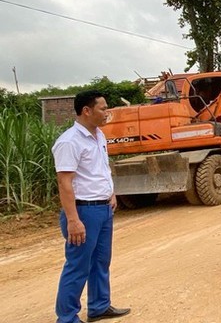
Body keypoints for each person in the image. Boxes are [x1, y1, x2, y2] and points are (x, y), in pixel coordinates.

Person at [52, 90, 131, 323]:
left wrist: (111, 193)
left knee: (100, 261)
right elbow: (64, 182)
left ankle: (99, 306)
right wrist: (74, 220)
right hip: (84, 212)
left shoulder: (99, 136)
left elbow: (100, 169)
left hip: (103, 208)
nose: (107, 112)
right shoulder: (69, 142)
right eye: (103, 108)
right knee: (78, 266)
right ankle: (66, 318)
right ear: (87, 111)